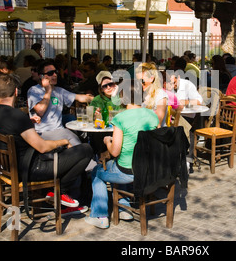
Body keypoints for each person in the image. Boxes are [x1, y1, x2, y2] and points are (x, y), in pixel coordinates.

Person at [0, 73, 92, 211]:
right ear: (16, 92)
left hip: (10, 170)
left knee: (68, 154)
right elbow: (43, 147)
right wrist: (63, 141)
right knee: (85, 150)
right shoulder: (18, 116)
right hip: (33, 170)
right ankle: (61, 192)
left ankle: (59, 195)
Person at [85, 79, 159, 229]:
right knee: (115, 165)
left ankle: (100, 216)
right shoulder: (153, 115)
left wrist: (107, 141)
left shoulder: (120, 118)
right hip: (150, 170)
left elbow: (114, 151)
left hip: (128, 172)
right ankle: (125, 208)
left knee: (97, 171)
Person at [27, 59, 94, 146]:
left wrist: (101, 97)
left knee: (81, 142)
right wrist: (48, 91)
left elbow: (79, 97)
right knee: (80, 146)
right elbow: (40, 112)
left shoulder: (59, 91)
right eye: (50, 73)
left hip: (59, 131)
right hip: (43, 133)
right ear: (41, 76)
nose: (55, 75)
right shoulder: (34, 91)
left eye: (56, 72)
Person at [135, 62, 168, 127]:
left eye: (142, 81)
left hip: (154, 133)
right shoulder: (139, 93)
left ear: (151, 78)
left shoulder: (160, 96)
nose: (139, 83)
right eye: (137, 81)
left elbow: (158, 124)